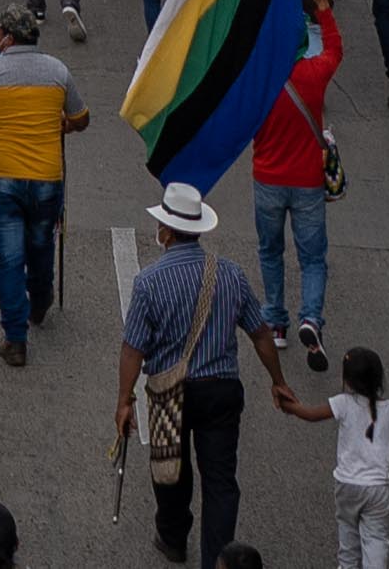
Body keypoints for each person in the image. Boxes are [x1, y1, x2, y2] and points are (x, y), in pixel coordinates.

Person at [114, 179, 298, 569]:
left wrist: (124, 400)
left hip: (168, 394)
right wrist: (277, 380)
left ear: (165, 231)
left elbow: (133, 349)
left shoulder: (148, 282)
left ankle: (173, 536)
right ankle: (218, 560)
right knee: (220, 482)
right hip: (221, 391)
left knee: (170, 471)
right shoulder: (229, 274)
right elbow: (260, 334)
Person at [0, 2, 84, 370]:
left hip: (4, 180)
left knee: (10, 258)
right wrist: (61, 122)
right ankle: (42, 295)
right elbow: (81, 118)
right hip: (47, 178)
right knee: (42, 240)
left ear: (9, 38)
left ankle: (15, 339)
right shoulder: (58, 71)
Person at [271, 342, 389, 569]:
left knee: (348, 532)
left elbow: (310, 414)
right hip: (378, 488)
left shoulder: (343, 403)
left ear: (347, 381)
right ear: (379, 379)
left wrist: (289, 406)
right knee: (375, 537)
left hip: (347, 485)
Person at [248, 0, 345, 371]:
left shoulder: (259, 80)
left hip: (267, 179)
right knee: (313, 258)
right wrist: (322, 6)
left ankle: (275, 322)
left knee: (271, 251)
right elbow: (336, 49)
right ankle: (311, 319)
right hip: (307, 182)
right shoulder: (315, 74)